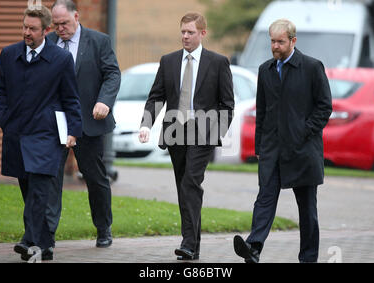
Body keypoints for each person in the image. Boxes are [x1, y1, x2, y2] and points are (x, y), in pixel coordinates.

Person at [233, 19, 332, 263]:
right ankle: (253, 247)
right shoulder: (265, 70)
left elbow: (324, 106)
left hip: (303, 151)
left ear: (293, 41)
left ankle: (308, 258)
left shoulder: (311, 67)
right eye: (272, 41)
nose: (275, 46)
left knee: (307, 210)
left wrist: (303, 132)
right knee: (264, 199)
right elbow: (262, 111)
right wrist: (259, 146)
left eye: (280, 42)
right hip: (272, 150)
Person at [139, 12, 234, 260]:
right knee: (185, 188)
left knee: (191, 181)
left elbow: (227, 104)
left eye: (190, 32)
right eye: (182, 31)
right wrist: (146, 124)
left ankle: (188, 242)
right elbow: (156, 96)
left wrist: (216, 134)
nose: (185, 36)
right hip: (174, 133)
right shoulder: (168, 61)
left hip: (203, 133)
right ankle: (193, 247)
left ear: (202, 33)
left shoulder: (217, 62)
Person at [0, 5, 82, 261]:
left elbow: (71, 98)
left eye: (32, 29)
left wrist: (74, 131)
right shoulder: (9, 54)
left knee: (40, 188)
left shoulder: (61, 59)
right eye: (24, 27)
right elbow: (0, 93)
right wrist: (5, 121)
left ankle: (28, 239)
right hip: (17, 133)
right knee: (27, 188)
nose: (26, 32)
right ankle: (45, 245)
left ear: (46, 30)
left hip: (47, 135)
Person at [47, 0, 121, 248]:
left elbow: (112, 73)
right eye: (56, 24)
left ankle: (103, 228)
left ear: (76, 16)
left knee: (94, 176)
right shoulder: (48, 43)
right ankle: (46, 233)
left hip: (89, 120)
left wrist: (104, 101)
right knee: (50, 177)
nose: (60, 29)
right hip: (56, 122)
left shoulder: (99, 41)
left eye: (64, 23)